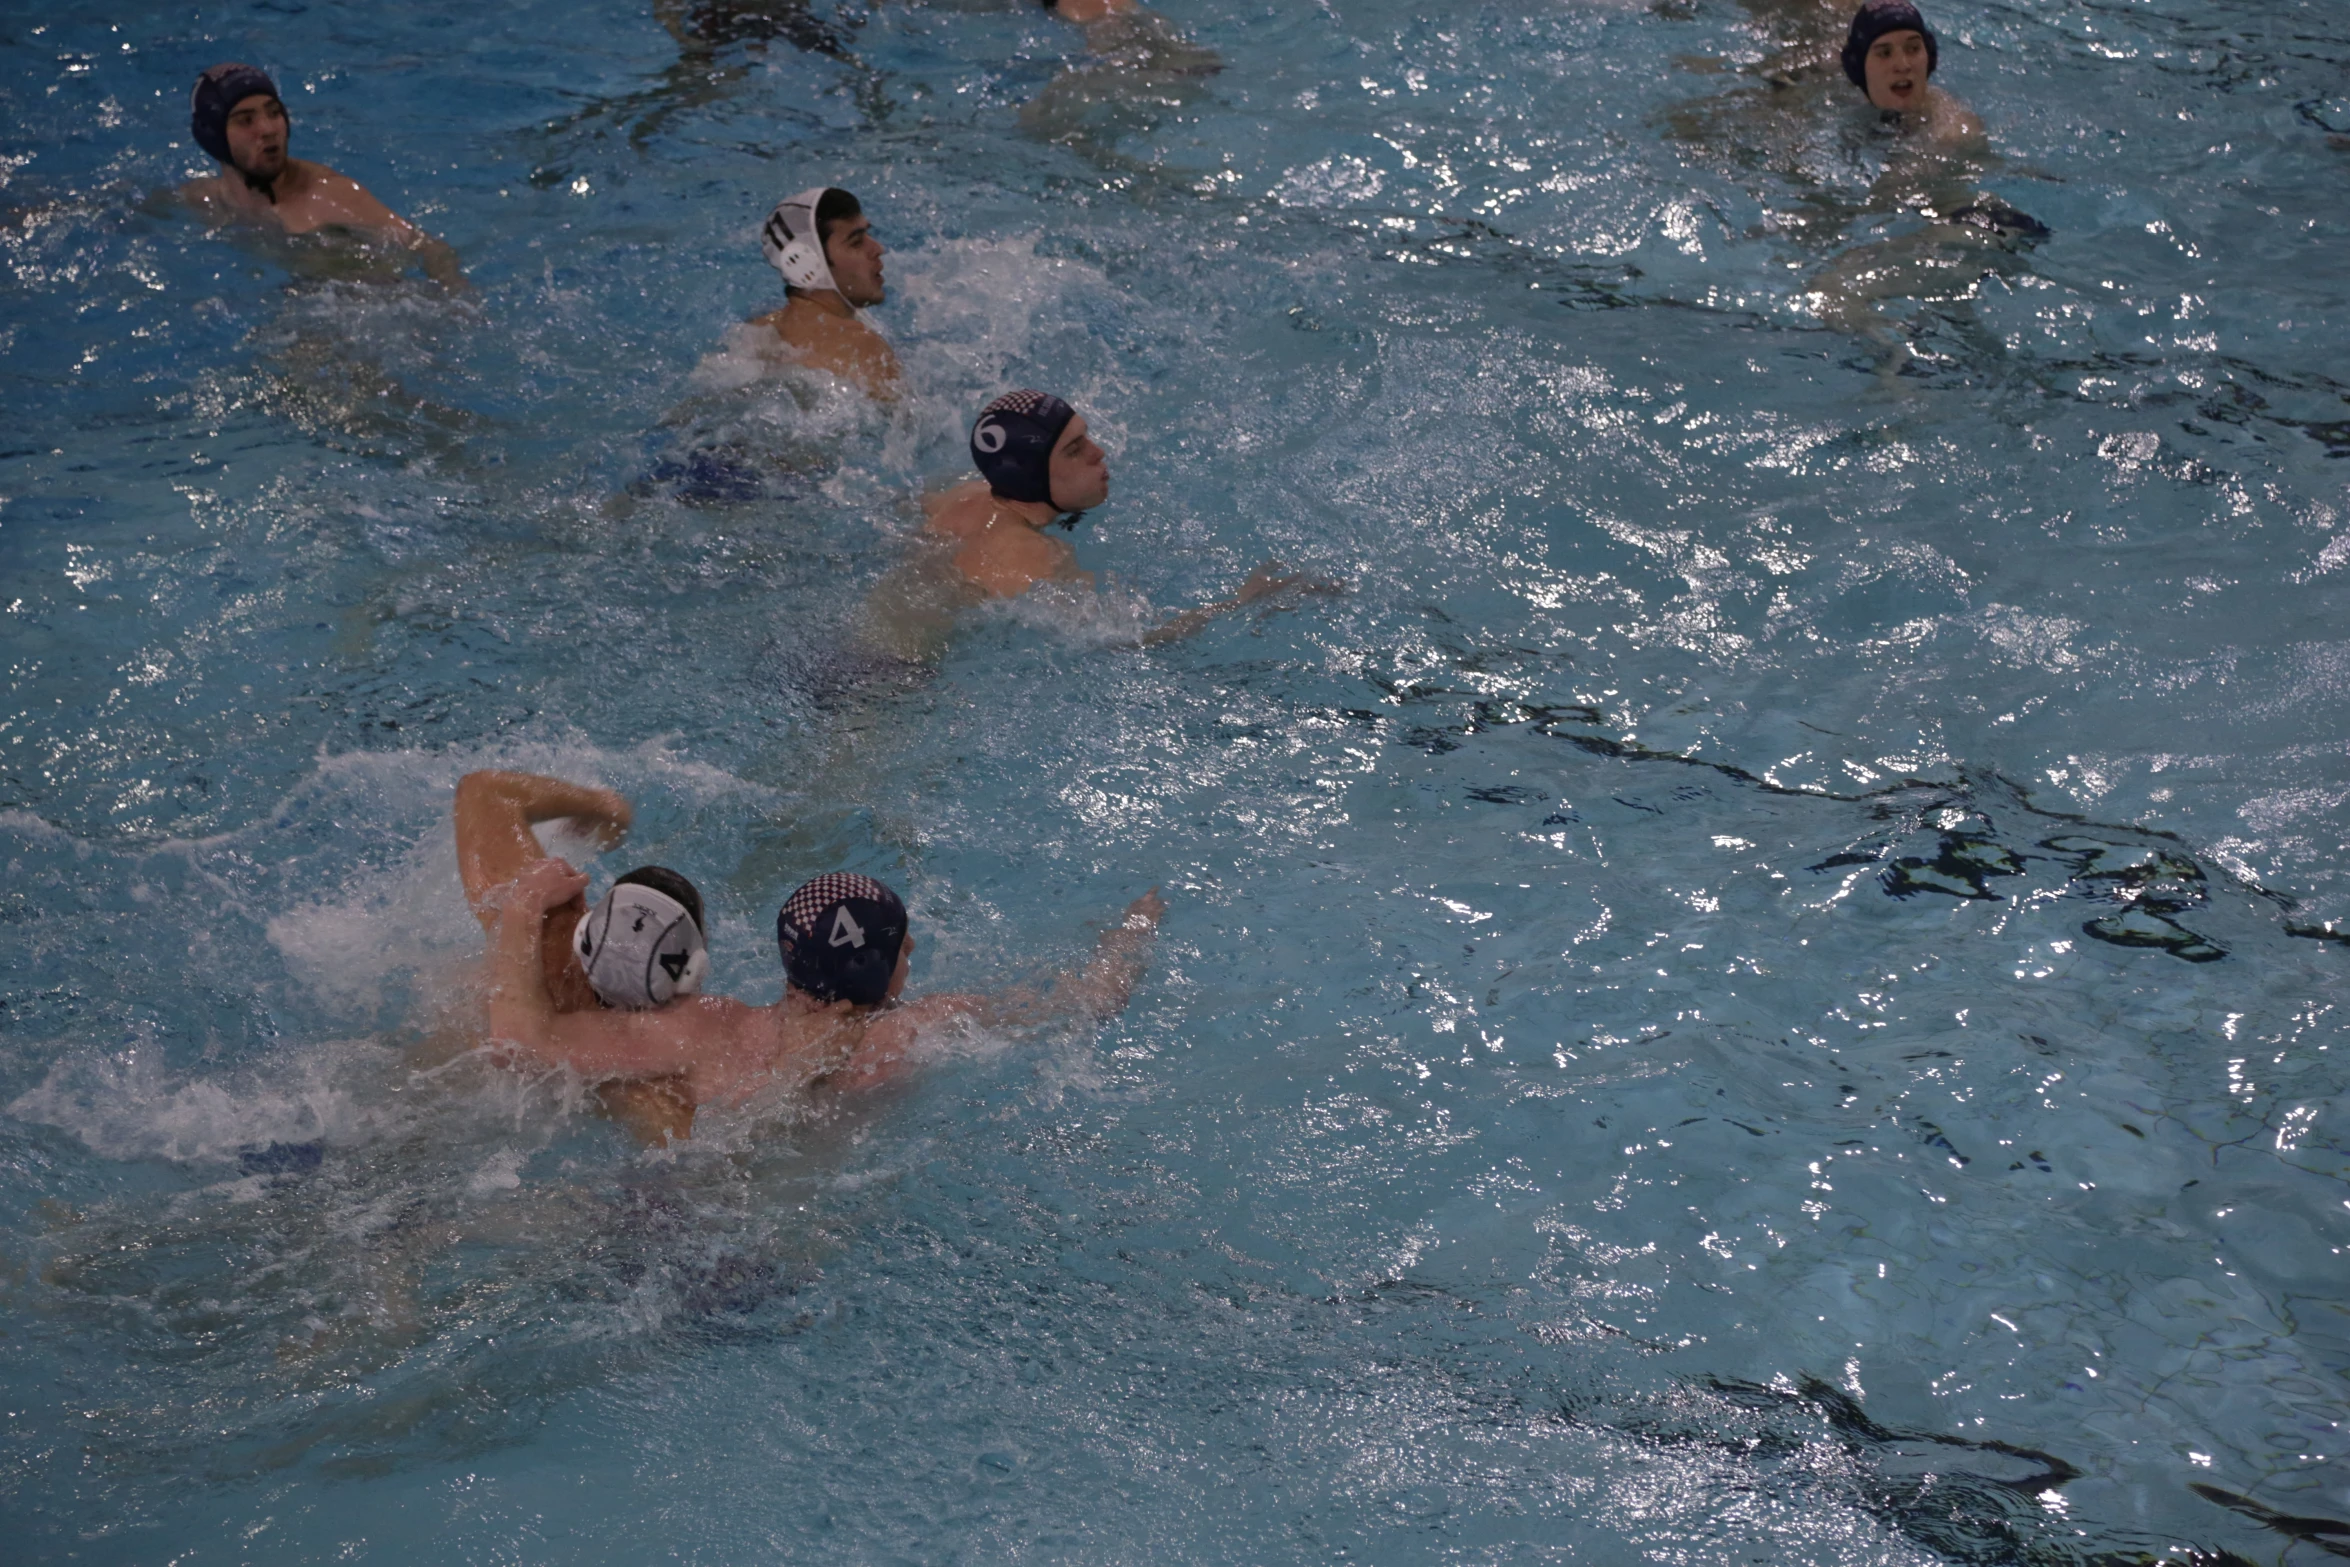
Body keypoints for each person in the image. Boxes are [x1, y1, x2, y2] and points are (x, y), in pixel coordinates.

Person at [487, 861, 1166, 1117]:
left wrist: (520, 913)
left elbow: (521, 1042)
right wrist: (1135, 927)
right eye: (902, 945)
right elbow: (1092, 1001)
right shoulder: (914, 1032)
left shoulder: (704, 1027)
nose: (914, 951)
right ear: (876, 973)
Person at [914, 389, 1334, 643]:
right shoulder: (1038, 558)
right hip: (903, 683)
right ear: (1030, 476)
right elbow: (1129, 642)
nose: (1099, 453)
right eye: (1075, 450)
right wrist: (1243, 602)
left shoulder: (959, 497)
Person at [453, 770, 708, 1142]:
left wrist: (603, 806)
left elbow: (485, 791)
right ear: (691, 972)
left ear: (587, 925)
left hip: (436, 1073)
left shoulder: (539, 924)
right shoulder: (657, 1088)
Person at [179, 63, 466, 289]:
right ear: (213, 137)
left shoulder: (327, 195)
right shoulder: (203, 199)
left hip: (375, 301)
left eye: (274, 112)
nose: (268, 129)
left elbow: (431, 248)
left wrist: (457, 302)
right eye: (246, 120)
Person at [746, 186, 899, 396]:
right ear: (805, 262)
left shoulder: (754, 333)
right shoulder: (862, 349)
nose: (877, 248)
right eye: (856, 242)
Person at [1841, 0, 1981, 145]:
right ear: (1857, 68)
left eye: (1913, 49)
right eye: (1885, 53)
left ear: (1930, 58)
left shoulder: (1954, 134)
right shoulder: (1834, 101)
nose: (1903, 65)